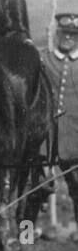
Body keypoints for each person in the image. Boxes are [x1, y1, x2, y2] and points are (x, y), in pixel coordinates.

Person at [43, 12, 78, 232]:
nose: (68, 38)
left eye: (73, 35)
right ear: (57, 34)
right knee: (35, 190)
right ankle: (26, 237)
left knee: (76, 189)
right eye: (65, 34)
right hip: (44, 138)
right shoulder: (43, 58)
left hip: (73, 140)